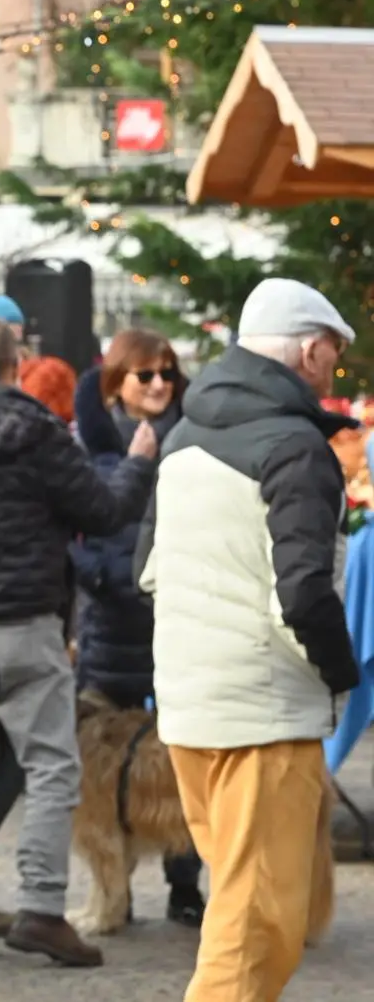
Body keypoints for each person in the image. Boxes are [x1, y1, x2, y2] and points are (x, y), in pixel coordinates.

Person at [137, 278, 358, 1002]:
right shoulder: (296, 447)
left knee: (240, 910)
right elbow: (302, 592)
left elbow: (149, 570)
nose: (334, 366)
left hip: (193, 709)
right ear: (311, 349)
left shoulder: (184, 434)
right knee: (257, 930)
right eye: (333, 352)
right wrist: (341, 673)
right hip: (262, 714)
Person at [0, 318, 158, 968]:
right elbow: (104, 510)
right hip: (28, 624)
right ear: (17, 366)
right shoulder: (36, 430)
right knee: (54, 769)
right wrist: (141, 462)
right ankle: (40, 908)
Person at [71, 329, 205, 927]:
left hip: (180, 640)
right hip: (112, 645)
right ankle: (112, 893)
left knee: (188, 770)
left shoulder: (197, 450)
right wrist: (108, 575)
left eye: (167, 374)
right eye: (145, 374)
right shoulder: (90, 457)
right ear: (116, 383)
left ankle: (185, 885)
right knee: (107, 782)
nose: (158, 385)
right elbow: (84, 549)